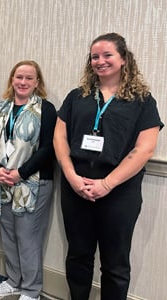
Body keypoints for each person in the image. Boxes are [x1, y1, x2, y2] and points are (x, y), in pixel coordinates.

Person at [53, 33, 163, 300]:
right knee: (78, 256)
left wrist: (107, 184)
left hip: (119, 193)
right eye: (94, 57)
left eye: (107, 55)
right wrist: (71, 177)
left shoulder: (142, 101)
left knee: (115, 265)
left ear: (124, 59)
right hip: (75, 188)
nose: (100, 61)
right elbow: (59, 137)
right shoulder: (77, 97)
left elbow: (144, 149)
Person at [0, 60, 57, 300]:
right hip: (3, 182)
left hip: (33, 183)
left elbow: (49, 148)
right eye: (19, 77)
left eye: (29, 78)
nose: (23, 82)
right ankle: (14, 281)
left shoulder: (45, 110)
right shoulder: (0, 108)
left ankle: (32, 290)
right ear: (12, 80)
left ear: (37, 82)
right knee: (8, 235)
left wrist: (20, 173)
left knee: (28, 237)